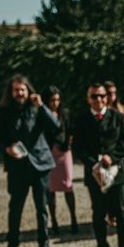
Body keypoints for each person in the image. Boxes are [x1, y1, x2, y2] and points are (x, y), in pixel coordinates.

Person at [0, 74, 60, 247]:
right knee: (15, 208)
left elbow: (55, 126)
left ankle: (44, 244)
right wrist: (7, 149)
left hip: (40, 164)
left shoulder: (36, 107)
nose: (19, 93)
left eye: (22, 89)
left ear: (28, 90)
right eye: (16, 90)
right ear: (11, 92)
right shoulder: (3, 111)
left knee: (41, 208)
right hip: (17, 167)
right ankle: (12, 246)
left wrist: (41, 105)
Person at [74, 83, 124, 247]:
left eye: (102, 96)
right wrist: (93, 163)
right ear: (88, 99)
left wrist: (113, 157)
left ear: (106, 98)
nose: (98, 99)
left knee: (121, 214)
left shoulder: (116, 117)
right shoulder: (82, 119)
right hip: (94, 174)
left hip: (116, 173)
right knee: (98, 214)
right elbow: (78, 147)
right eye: (94, 96)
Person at [42, 86, 78, 235]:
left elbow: (71, 130)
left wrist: (68, 143)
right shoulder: (43, 114)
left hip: (64, 153)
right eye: (52, 100)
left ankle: (74, 219)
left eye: (57, 100)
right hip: (49, 153)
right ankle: (54, 221)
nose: (55, 103)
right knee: (51, 189)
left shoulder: (65, 113)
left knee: (68, 186)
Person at [105, 80, 124, 217]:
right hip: (107, 152)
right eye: (109, 93)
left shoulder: (121, 109)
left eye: (114, 92)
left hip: (120, 152)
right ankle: (110, 213)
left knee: (123, 184)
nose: (112, 95)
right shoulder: (103, 111)